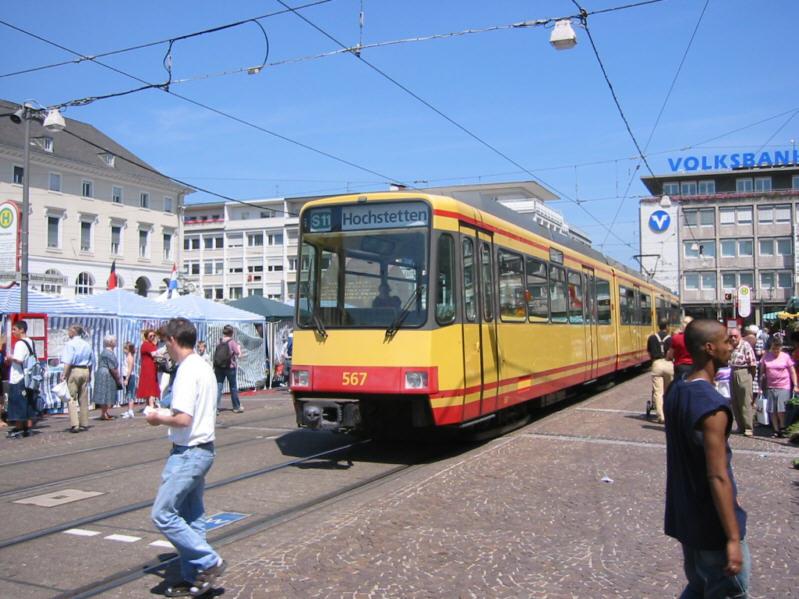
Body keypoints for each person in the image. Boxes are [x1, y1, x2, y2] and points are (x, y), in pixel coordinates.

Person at [664, 319, 750, 598]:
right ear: (710, 348)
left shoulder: (677, 389)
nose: (731, 345)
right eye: (726, 341)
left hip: (687, 517)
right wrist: (733, 538)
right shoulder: (712, 406)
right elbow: (717, 475)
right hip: (712, 525)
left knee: (700, 587)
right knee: (729, 591)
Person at [147, 317, 227, 597]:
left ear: (172, 340)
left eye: (164, 342)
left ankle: (209, 560)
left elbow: (183, 418)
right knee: (192, 517)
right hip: (204, 449)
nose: (164, 348)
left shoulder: (186, 371)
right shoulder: (203, 367)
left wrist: (157, 417)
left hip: (188, 452)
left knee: (162, 513)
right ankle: (196, 578)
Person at [759, 334, 796, 438]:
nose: (776, 350)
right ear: (771, 347)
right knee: (772, 409)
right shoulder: (766, 356)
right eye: (774, 348)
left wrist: (796, 385)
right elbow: (762, 372)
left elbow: (792, 371)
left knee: (781, 409)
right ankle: (775, 429)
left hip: (784, 385)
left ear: (781, 347)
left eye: (778, 348)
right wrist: (760, 387)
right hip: (770, 386)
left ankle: (782, 427)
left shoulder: (785, 356)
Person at [61, 324, 94, 434]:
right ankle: (84, 423)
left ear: (73, 332)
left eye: (69, 330)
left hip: (74, 370)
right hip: (85, 369)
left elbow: (68, 361)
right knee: (83, 398)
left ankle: (75, 424)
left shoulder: (70, 344)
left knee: (71, 398)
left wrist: (64, 374)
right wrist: (90, 373)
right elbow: (91, 360)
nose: (68, 332)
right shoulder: (87, 344)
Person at [5, 321, 36, 438]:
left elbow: (19, 359)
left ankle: (18, 429)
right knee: (28, 402)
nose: (13, 332)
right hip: (29, 377)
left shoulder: (20, 343)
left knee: (18, 403)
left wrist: (10, 357)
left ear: (21, 330)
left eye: (14, 329)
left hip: (19, 377)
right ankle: (28, 427)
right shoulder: (30, 341)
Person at [728, 327, 757, 437]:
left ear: (740, 336)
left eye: (735, 336)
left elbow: (752, 363)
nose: (733, 338)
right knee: (735, 402)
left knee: (745, 401)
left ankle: (748, 428)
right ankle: (740, 427)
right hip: (732, 372)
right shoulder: (729, 346)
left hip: (743, 371)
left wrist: (750, 377)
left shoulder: (745, 345)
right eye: (731, 336)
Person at [647, 318, 673, 424]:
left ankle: (661, 416)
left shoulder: (652, 338)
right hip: (668, 364)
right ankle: (669, 413)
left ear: (659, 326)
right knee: (669, 391)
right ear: (667, 326)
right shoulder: (671, 339)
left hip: (656, 363)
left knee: (658, 392)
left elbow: (649, 352)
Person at [213, 325, 242, 414]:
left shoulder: (219, 341)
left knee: (219, 386)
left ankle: (215, 408)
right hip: (230, 367)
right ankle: (236, 407)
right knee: (233, 387)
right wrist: (239, 348)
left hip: (219, 367)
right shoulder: (232, 342)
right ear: (231, 333)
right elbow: (238, 353)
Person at [93, 335, 123, 421]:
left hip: (103, 372)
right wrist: (118, 379)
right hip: (106, 373)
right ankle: (104, 413)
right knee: (106, 393)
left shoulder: (105, 352)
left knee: (105, 393)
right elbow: (112, 368)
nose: (116, 342)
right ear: (111, 342)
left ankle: (104, 412)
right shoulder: (109, 353)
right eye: (115, 341)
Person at [136, 329, 161, 409]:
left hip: (151, 367)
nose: (153, 337)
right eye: (151, 336)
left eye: (154, 335)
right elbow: (155, 354)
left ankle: (149, 406)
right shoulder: (147, 345)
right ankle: (151, 405)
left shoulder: (150, 345)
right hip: (148, 368)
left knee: (149, 387)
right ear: (147, 336)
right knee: (151, 388)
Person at [667, 316, 693, 383]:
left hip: (680, 367)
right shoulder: (697, 337)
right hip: (694, 367)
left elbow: (670, 355)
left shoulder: (676, 338)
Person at [121, 341, 137, 419]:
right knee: (128, 393)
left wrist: (127, 379)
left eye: (125, 349)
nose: (123, 350)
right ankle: (129, 410)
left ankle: (131, 411)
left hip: (130, 377)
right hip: (126, 376)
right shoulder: (127, 357)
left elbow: (130, 369)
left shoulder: (130, 357)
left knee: (130, 394)